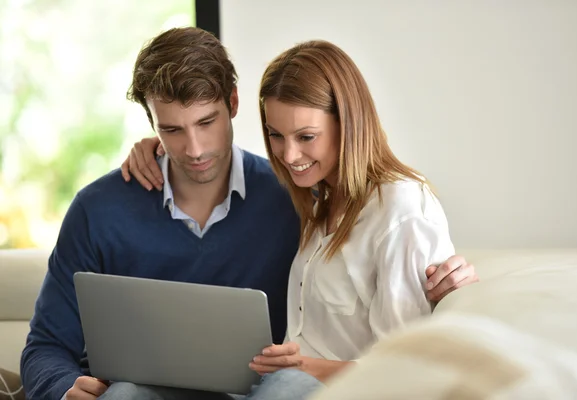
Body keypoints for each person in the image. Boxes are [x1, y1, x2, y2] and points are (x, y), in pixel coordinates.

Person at [20, 27, 475, 400]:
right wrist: (61, 389)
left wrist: (450, 289)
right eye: (171, 130)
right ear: (151, 125)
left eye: (206, 123)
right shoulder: (100, 209)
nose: (193, 149)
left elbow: (401, 329)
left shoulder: (291, 197)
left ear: (233, 104)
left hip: (264, 389)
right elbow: (45, 345)